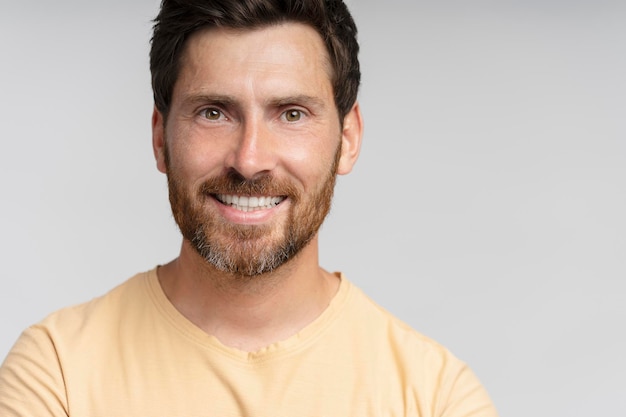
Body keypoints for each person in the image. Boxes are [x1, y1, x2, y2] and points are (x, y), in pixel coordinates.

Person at [0, 0, 498, 415]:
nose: (250, 160)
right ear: (160, 138)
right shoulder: (57, 372)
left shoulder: (436, 397)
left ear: (347, 139)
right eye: (213, 112)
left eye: (292, 113)